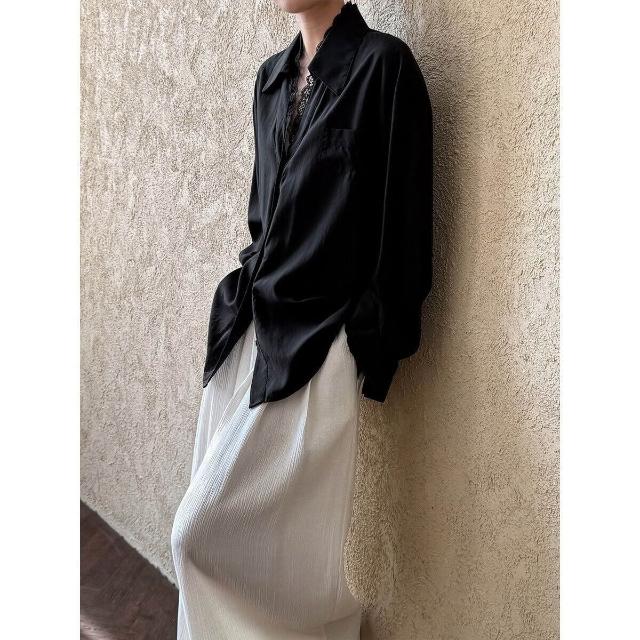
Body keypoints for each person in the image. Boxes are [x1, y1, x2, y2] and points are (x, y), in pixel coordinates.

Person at [171, 1, 433, 638]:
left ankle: (329, 626)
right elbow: (264, 215)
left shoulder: (385, 67)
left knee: (198, 537)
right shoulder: (271, 77)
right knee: (266, 553)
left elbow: (406, 225)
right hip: (246, 331)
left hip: (319, 343)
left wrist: (364, 340)